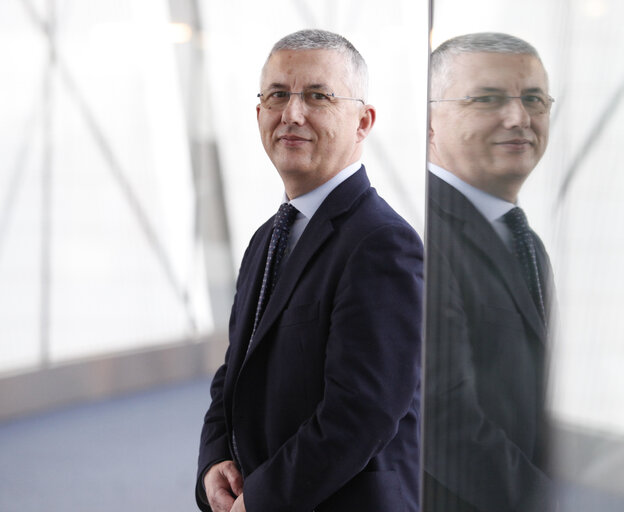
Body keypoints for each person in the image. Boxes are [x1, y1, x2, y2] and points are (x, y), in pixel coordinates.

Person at [195, 29, 423, 512]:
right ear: (259, 114)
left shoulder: (383, 244)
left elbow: (362, 413)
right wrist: (214, 459)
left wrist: (261, 498)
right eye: (278, 95)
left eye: (318, 96)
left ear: (363, 122)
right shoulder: (267, 238)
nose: (291, 114)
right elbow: (234, 373)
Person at [423, 32, 556, 511]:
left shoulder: (524, 240)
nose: (519, 118)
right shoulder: (416, 238)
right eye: (488, 98)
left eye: (534, 99)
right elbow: (440, 417)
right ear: (429, 122)